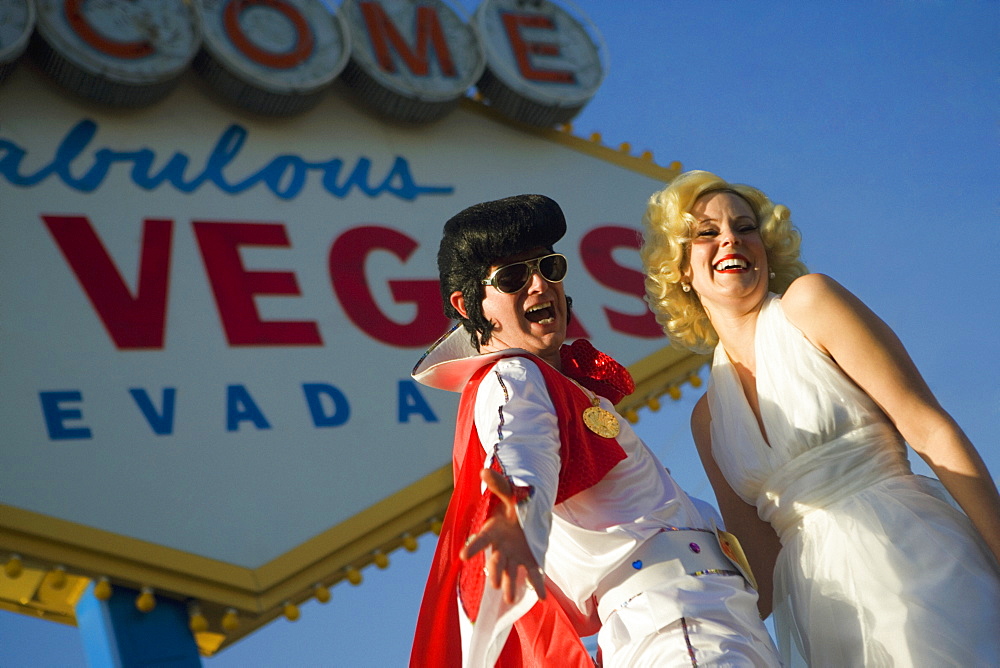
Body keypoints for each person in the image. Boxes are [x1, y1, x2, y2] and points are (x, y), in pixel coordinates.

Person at [640, 170, 1000, 666]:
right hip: (827, 609)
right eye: (707, 232)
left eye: (745, 228)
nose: (731, 239)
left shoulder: (811, 303)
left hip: (918, 554)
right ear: (680, 268)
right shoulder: (708, 419)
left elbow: (929, 427)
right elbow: (761, 577)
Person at [409, 194, 780, 667]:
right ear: (469, 305)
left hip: (703, 617)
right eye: (513, 277)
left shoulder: (557, 386)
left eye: (549, 266)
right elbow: (518, 450)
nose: (540, 284)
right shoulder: (512, 377)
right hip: (677, 623)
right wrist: (512, 518)